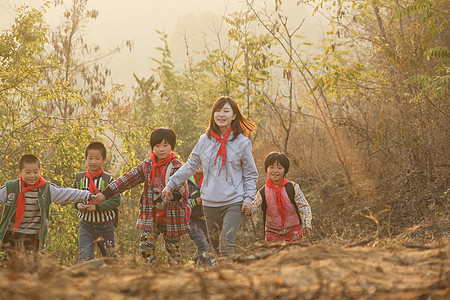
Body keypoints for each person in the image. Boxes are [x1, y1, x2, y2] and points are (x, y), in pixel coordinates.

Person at [162, 96, 258, 258]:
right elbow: (191, 165)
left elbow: (250, 173)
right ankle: (223, 279)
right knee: (216, 251)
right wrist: (171, 184)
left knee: (226, 244)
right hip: (210, 203)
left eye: (226, 111)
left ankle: (230, 280)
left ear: (233, 115)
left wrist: (248, 198)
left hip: (233, 202)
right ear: (213, 115)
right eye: (217, 111)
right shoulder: (204, 140)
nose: (221, 114)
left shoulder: (242, 142)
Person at [92, 128, 189, 265]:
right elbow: (127, 179)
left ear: (172, 146)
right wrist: (105, 193)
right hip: (151, 215)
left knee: (173, 252)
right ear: (152, 147)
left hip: (171, 216)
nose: (161, 149)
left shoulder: (177, 166)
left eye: (165, 145)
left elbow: (182, 185)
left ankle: (173, 278)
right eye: (157, 146)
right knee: (146, 248)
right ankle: (151, 274)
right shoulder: (147, 166)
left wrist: (173, 194)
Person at [0, 154, 92, 259]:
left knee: (28, 267)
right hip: (12, 235)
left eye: (35, 172)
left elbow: (66, 193)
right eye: (28, 172)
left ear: (40, 171)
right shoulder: (11, 188)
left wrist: (87, 195)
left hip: (33, 237)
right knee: (7, 267)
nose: (32, 176)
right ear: (20, 173)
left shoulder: (45, 189)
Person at [248, 152, 313, 243]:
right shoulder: (262, 192)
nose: (275, 171)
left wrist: (307, 225)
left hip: (293, 230)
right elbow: (253, 208)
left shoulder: (293, 188)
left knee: (296, 254)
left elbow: (304, 207)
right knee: (275, 256)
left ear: (285, 170)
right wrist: (244, 206)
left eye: (279, 168)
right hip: (272, 233)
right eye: (271, 167)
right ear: (266, 169)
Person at [72, 142, 121, 262]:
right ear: (86, 159)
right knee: (84, 257)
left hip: (105, 226)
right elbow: (73, 196)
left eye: (97, 158)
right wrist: (78, 205)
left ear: (104, 160)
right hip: (86, 225)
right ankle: (85, 280)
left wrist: (97, 207)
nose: (93, 162)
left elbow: (116, 200)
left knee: (110, 257)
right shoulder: (79, 178)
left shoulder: (108, 179)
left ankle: (114, 279)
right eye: (90, 158)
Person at [186, 166, 212, 266]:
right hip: (192, 220)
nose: (199, 165)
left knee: (209, 245)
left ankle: (193, 266)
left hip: (208, 219)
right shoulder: (186, 181)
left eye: (201, 162)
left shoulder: (211, 179)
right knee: (203, 245)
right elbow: (181, 202)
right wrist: (195, 201)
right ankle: (209, 270)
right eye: (196, 162)